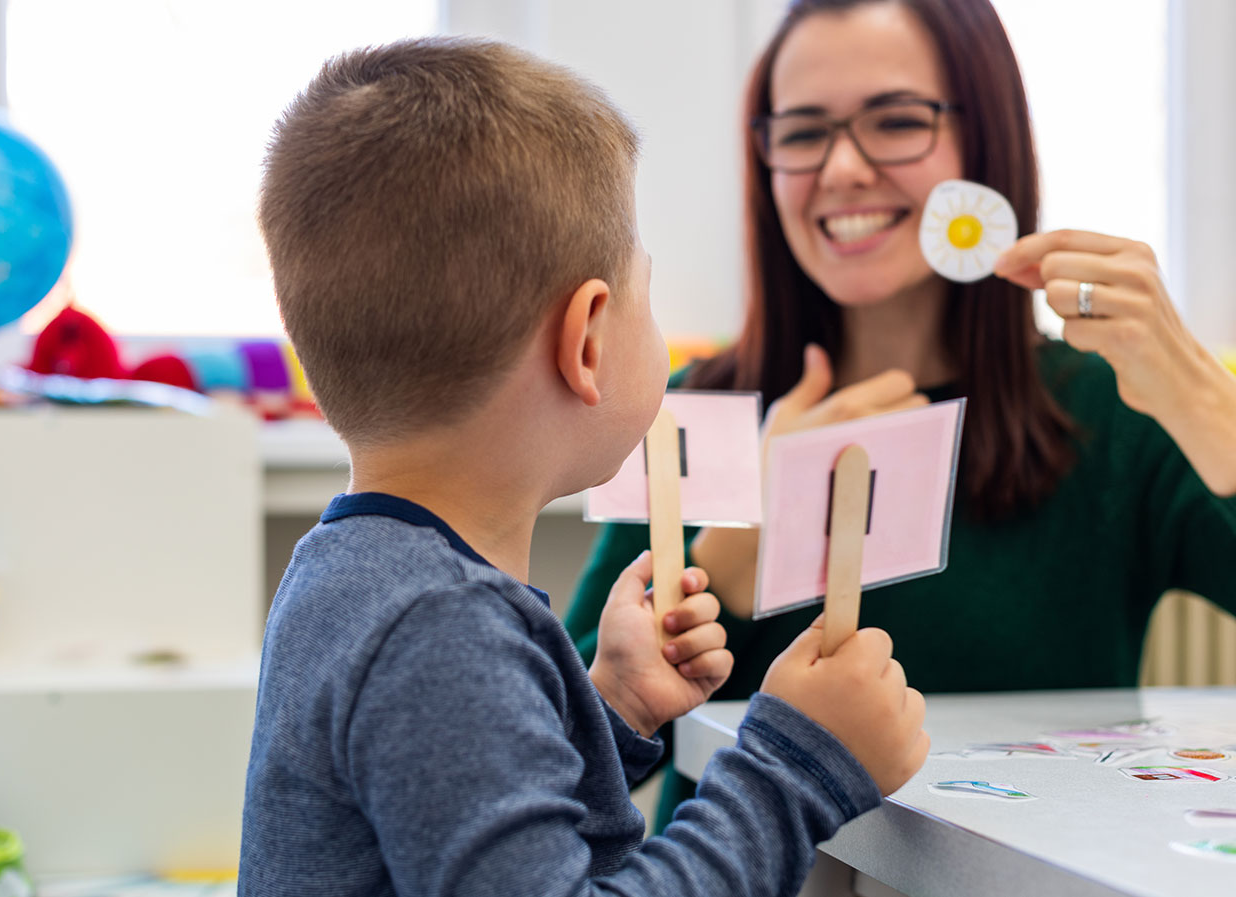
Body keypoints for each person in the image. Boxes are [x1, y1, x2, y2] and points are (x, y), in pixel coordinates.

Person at [238, 36, 930, 896]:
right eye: (649, 293)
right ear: (589, 337)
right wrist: (800, 763)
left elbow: (452, 821)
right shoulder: (442, 628)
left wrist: (610, 710)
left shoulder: (350, 576)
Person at [566, 0, 1236, 834]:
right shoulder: (691, 405)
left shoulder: (1108, 408)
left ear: (984, 140)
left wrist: (1203, 400)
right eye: (805, 132)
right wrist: (738, 546)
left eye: (895, 121)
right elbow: (567, 747)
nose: (843, 168)